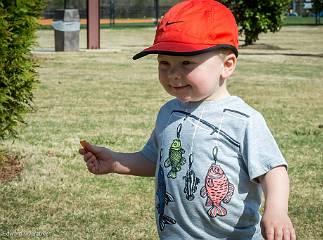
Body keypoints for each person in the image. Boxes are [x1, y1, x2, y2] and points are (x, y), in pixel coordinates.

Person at [79, 0, 296, 239]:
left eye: (186, 63)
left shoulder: (244, 120)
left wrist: (276, 210)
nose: (173, 73)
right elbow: (154, 160)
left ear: (227, 65)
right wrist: (115, 162)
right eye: (164, 63)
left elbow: (273, 170)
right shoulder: (168, 113)